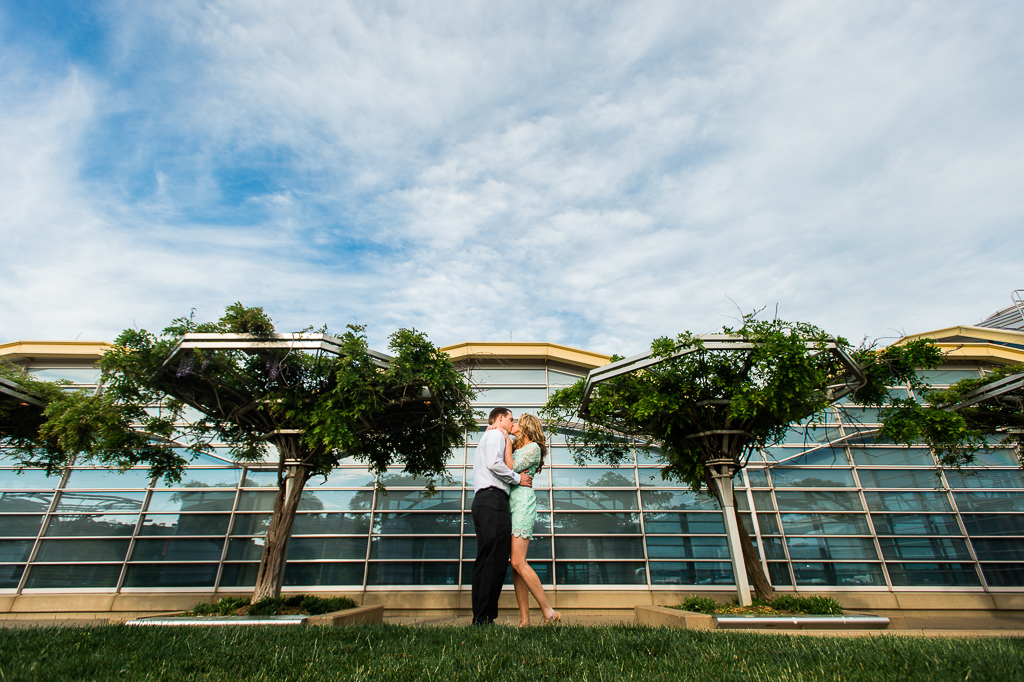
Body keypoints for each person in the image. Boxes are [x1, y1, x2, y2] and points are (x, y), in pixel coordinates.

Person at [471, 407, 532, 625]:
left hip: (481, 501)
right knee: (496, 558)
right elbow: (494, 464)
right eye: (510, 419)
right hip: (494, 500)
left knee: (485, 558)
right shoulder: (495, 434)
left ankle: (479, 616)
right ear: (500, 418)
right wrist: (517, 478)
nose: (511, 422)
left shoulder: (489, 436)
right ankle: (486, 617)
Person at [502, 413, 560, 626]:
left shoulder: (533, 448)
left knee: (518, 561)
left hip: (523, 504)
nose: (513, 423)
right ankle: (525, 620)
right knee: (516, 564)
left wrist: (507, 443)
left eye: (516, 422)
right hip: (509, 503)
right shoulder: (516, 447)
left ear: (526, 427)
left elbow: (509, 469)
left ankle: (549, 611)